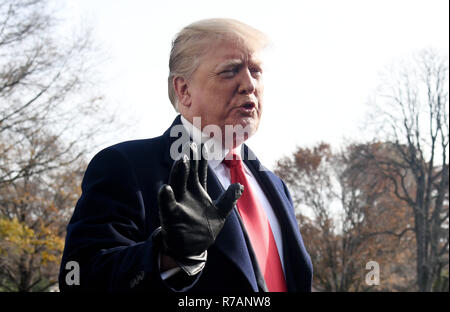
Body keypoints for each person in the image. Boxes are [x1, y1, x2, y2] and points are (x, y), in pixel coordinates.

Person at [59, 18, 312, 292]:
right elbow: (79, 278)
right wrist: (170, 256)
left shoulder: (276, 186)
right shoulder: (126, 166)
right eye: (230, 71)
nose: (249, 84)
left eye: (256, 71)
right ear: (184, 90)